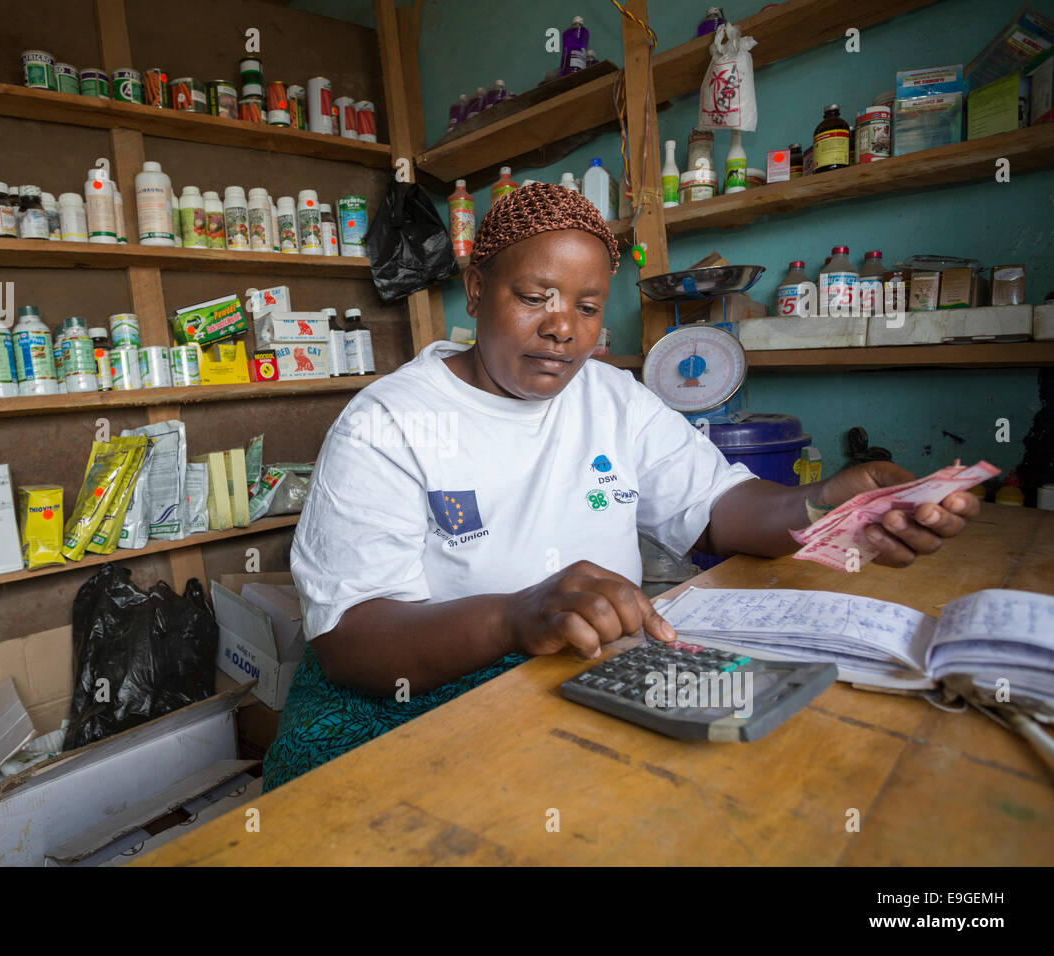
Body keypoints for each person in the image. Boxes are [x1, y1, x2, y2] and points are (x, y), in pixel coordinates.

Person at [261, 183, 979, 791]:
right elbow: (353, 643)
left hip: (584, 676)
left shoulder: (613, 398)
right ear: (476, 291)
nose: (561, 329)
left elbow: (719, 511)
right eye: (534, 296)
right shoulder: (390, 422)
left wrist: (830, 504)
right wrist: (518, 614)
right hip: (428, 693)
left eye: (587, 306)